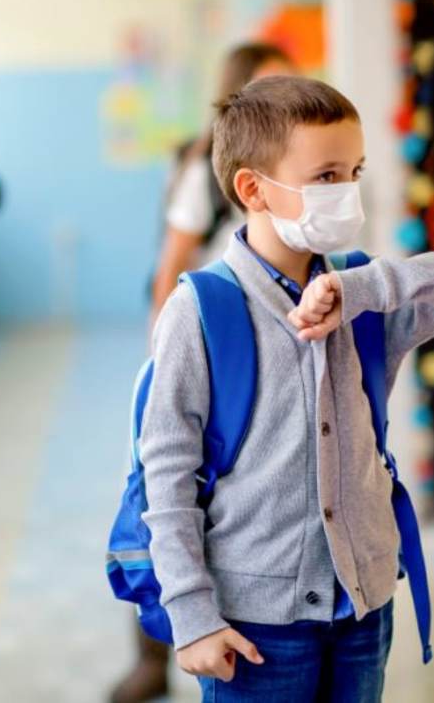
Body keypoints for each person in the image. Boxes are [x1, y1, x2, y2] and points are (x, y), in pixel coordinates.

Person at [140, 75, 434, 701]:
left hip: (363, 609)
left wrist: (361, 291)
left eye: (354, 171)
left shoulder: (365, 292)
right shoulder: (198, 311)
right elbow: (167, 472)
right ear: (253, 189)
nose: (347, 192)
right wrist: (193, 616)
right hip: (253, 625)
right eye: (326, 176)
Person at [111, 41, 294, 703]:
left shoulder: (298, 172)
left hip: (270, 356)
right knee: (169, 494)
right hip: (212, 349)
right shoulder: (203, 165)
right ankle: (153, 649)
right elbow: (172, 263)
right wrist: (171, 364)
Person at [149, 42, 294, 316]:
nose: (283, 101)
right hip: (221, 318)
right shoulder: (205, 171)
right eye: (269, 89)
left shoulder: (294, 165)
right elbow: (171, 266)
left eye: (290, 86)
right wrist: (164, 347)